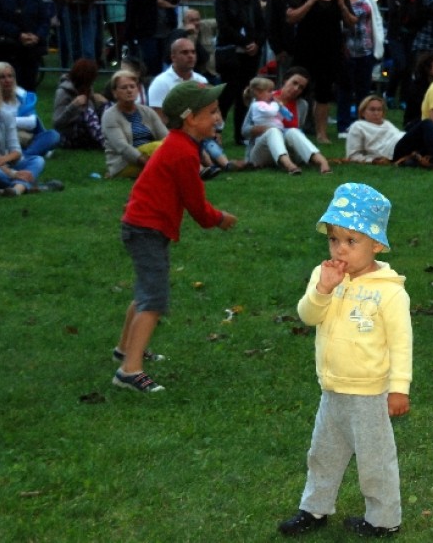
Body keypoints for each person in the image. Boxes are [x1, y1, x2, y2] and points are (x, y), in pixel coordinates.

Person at [277, 183, 410, 539]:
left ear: (376, 244)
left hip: (370, 395)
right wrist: (323, 289)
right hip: (332, 388)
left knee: (375, 461)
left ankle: (384, 519)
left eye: (352, 241)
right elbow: (307, 315)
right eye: (334, 239)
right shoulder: (325, 276)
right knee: (323, 453)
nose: (340, 249)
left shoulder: (390, 291)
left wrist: (399, 388)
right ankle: (314, 509)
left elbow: (401, 344)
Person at [112, 81, 237, 393]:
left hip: (144, 227)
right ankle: (129, 371)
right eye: (212, 112)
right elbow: (196, 206)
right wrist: (219, 219)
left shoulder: (181, 145)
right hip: (146, 229)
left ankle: (126, 349)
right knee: (153, 300)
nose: (218, 118)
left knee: (146, 291)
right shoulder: (182, 152)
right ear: (190, 118)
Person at [290, 0, 354, 144]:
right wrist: (310, 3)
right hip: (306, 49)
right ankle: (291, 128)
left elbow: (352, 22)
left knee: (324, 92)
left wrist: (342, 6)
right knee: (297, 89)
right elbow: (291, 17)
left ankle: (321, 133)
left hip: (330, 50)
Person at [0, 70, 61, 196]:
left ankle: (15, 188)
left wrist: (3, 159)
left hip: (5, 162)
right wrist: (13, 173)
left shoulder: (6, 115)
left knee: (37, 160)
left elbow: (16, 151)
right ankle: (27, 186)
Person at [346, 94, 433, 173]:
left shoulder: (386, 123)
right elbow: (352, 155)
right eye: (372, 110)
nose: (376, 113)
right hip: (393, 151)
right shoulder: (358, 126)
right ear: (362, 112)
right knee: (426, 123)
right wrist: (373, 160)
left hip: (406, 142)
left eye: (379, 110)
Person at [214, 0, 266, 145]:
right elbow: (224, 25)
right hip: (231, 50)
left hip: (251, 51)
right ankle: (215, 131)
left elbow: (260, 21)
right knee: (227, 94)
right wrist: (244, 42)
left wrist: (256, 42)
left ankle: (241, 134)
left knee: (245, 94)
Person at [241, 75, 331, 175]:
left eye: (301, 87)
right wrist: (266, 128)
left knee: (293, 131)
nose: (296, 89)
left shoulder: (302, 105)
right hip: (262, 151)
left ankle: (321, 161)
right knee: (273, 131)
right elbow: (245, 131)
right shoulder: (260, 101)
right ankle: (289, 165)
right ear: (285, 81)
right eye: (294, 83)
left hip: (287, 148)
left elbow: (298, 130)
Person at [338, 0, 384, 138]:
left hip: (365, 49)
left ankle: (362, 124)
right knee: (345, 89)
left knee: (363, 90)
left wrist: (378, 44)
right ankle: (343, 125)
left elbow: (376, 20)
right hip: (346, 50)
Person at [102, 70, 167, 178]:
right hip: (125, 163)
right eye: (124, 88)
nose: (129, 90)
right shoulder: (109, 116)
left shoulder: (147, 111)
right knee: (159, 147)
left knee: (170, 145)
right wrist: (150, 164)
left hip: (152, 156)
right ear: (114, 92)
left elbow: (166, 137)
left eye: (132, 87)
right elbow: (122, 147)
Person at [126, 0, 180, 77]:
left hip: (165, 28)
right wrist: (168, 5)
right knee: (151, 63)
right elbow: (149, 1)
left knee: (165, 62)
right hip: (148, 30)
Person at [0, 61, 60, 157]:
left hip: (28, 136)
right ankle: (36, 150)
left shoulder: (22, 97)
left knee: (53, 135)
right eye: (2, 77)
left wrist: (9, 121)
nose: (7, 80)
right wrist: (20, 123)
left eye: (10, 76)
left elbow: (32, 122)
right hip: (3, 138)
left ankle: (24, 155)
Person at [52, 58, 109, 149]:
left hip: (85, 131)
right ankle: (107, 144)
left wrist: (101, 102)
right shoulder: (63, 92)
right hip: (68, 135)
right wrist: (72, 106)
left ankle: (118, 137)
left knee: (107, 106)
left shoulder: (87, 88)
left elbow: (93, 112)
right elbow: (57, 123)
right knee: (87, 112)